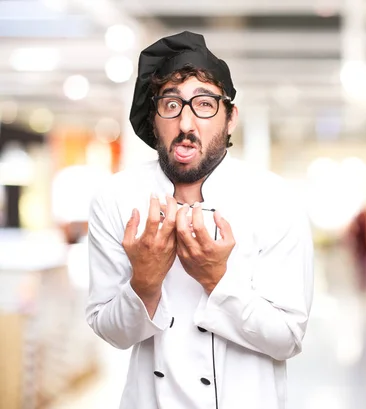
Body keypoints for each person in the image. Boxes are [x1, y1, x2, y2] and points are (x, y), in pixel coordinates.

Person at [85, 31, 314, 409]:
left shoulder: (274, 200)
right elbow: (112, 333)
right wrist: (144, 282)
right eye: (171, 105)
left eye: (204, 104)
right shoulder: (117, 198)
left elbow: (288, 337)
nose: (186, 123)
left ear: (230, 118)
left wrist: (215, 279)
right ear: (153, 117)